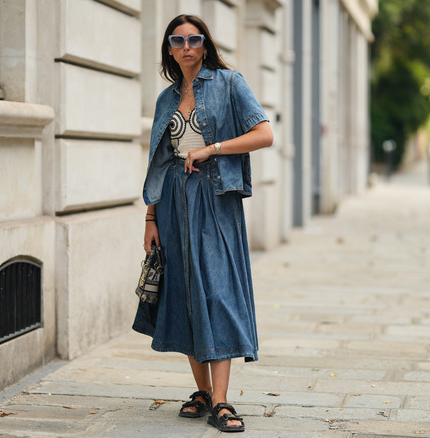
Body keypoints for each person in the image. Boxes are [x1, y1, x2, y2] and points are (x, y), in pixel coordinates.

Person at [132, 14, 273, 433]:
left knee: (218, 291)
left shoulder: (230, 83)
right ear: (169, 49)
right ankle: (204, 392)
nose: (187, 47)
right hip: (173, 201)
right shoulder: (166, 98)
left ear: (205, 45)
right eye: (177, 41)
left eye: (194, 39)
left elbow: (264, 134)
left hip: (215, 199)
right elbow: (159, 162)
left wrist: (213, 149)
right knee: (185, 291)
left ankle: (223, 400)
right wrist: (150, 217)